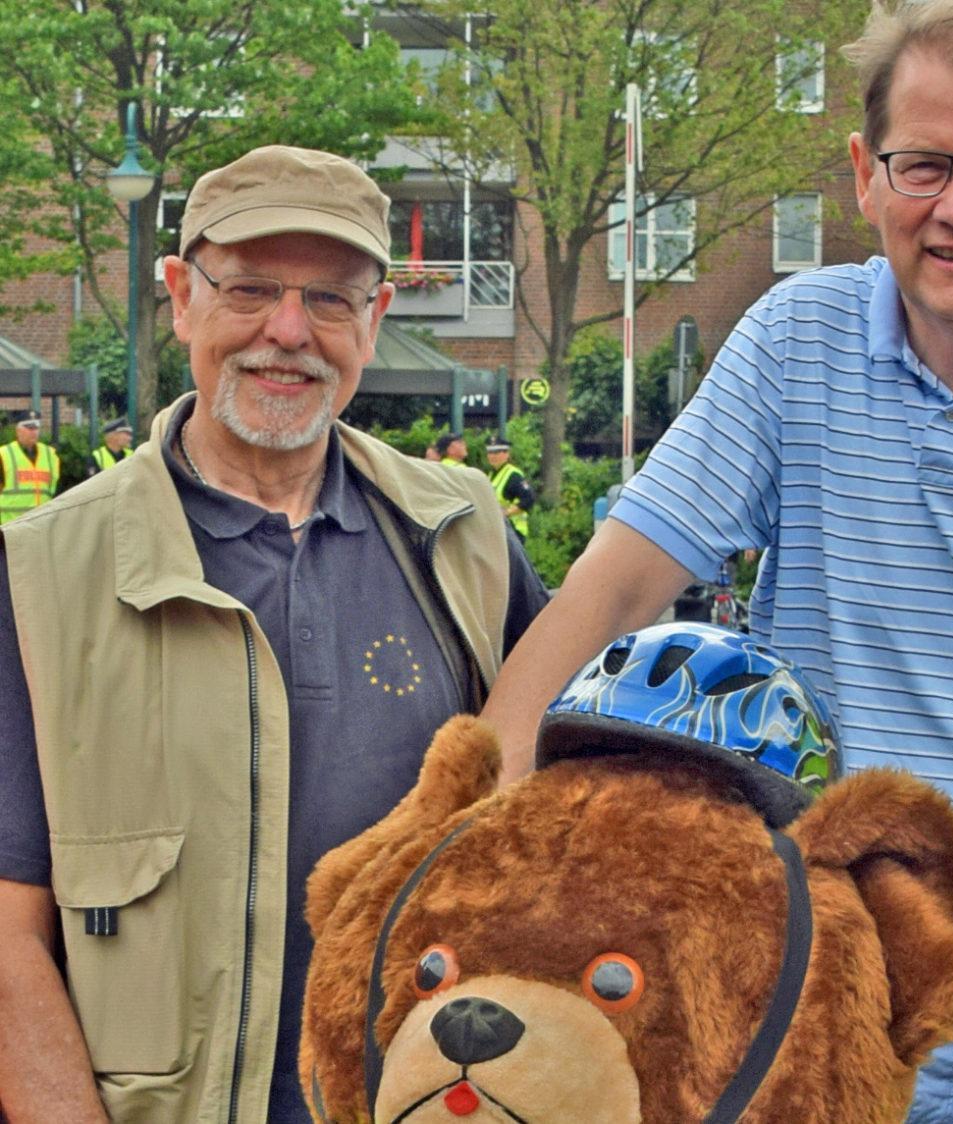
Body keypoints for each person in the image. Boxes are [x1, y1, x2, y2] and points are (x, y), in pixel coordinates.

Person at [479, 1, 953, 1118]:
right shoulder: (795, 338)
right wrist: (479, 827)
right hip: (824, 1005)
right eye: (922, 165)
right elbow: (615, 584)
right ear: (863, 174)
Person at [0, 144, 548, 1123]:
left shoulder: (465, 539)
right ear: (180, 296)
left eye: (331, 299)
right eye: (248, 287)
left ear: (374, 320)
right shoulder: (38, 576)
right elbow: (5, 946)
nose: (287, 331)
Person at [0, 411, 60, 524]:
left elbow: (55, 491)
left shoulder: (50, 455)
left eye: (36, 428)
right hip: (11, 526)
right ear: (18, 430)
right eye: (29, 428)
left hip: (42, 524)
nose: (34, 432)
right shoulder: (4, 455)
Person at [485, 438, 534, 541]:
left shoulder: (513, 475)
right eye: (489, 452)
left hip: (513, 529)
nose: (492, 456)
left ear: (506, 454)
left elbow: (529, 498)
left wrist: (506, 513)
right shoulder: (491, 475)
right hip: (498, 528)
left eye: (497, 452)